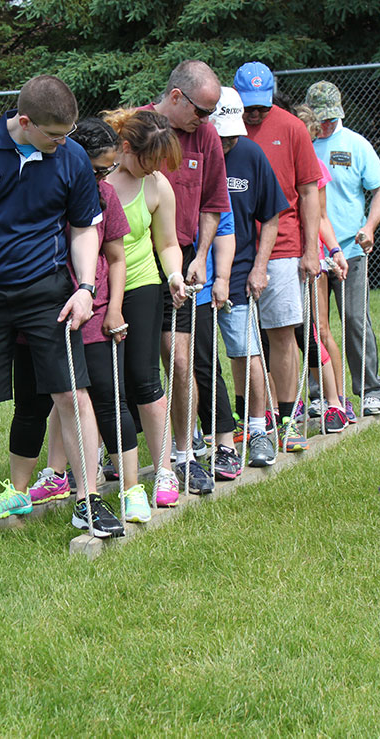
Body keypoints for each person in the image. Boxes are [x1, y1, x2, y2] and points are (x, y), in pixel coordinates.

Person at [0, 75, 120, 538]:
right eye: (54, 135)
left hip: (47, 291)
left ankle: (87, 500)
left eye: (67, 134)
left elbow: (83, 229)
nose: (63, 143)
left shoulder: (70, 157)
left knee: (72, 394)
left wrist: (87, 288)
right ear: (26, 121)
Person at [4, 117, 150, 521]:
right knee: (30, 403)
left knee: (107, 401)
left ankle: (131, 488)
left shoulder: (104, 195)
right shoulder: (40, 189)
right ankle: (17, 491)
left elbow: (116, 259)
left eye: (108, 168)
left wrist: (115, 308)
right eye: (98, 167)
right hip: (38, 315)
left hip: (93, 313)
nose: (105, 175)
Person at [142, 59, 232, 494]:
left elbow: (215, 203)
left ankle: (184, 455)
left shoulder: (207, 137)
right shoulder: (137, 128)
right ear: (175, 97)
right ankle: (112, 454)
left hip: (182, 259)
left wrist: (201, 257)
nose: (206, 120)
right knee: (129, 363)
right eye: (200, 110)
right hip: (135, 259)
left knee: (179, 360)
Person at [103, 108, 188, 507]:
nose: (154, 168)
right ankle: (106, 463)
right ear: (124, 148)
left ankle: (165, 470)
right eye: (147, 160)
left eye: (158, 162)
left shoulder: (157, 187)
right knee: (103, 384)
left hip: (141, 287)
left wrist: (174, 275)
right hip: (100, 292)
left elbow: (167, 243)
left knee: (145, 379)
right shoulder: (98, 185)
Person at [234, 61, 321, 452]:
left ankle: (288, 419)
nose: (254, 114)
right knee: (240, 341)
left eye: (261, 107)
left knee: (282, 335)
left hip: (284, 246)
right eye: (248, 107)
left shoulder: (292, 128)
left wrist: (311, 250)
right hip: (235, 248)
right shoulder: (225, 129)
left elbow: (308, 192)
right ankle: (249, 418)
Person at [207, 88, 287, 466]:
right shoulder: (193, 154)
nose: (227, 143)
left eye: (231, 135)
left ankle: (258, 430)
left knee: (247, 350)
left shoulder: (251, 154)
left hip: (239, 271)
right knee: (194, 361)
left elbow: (270, 215)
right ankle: (198, 436)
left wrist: (259, 267)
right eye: (220, 135)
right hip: (196, 274)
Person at [305, 80, 380, 415]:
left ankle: (371, 389)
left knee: (354, 319)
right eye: (319, 118)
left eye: (330, 117)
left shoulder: (356, 144)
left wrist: (369, 227)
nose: (325, 124)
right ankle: (319, 394)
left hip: (350, 251)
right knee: (313, 325)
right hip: (313, 252)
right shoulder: (304, 144)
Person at [292, 104, 352, 428]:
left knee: (319, 330)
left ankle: (337, 401)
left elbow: (323, 217)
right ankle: (292, 404)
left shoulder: (315, 166)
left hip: (311, 255)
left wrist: (333, 249)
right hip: (282, 253)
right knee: (285, 335)